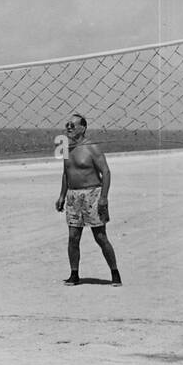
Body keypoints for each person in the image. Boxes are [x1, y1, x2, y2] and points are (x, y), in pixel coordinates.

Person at [56, 113, 120, 286]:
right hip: (73, 195)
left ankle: (115, 273)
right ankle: (74, 274)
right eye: (67, 124)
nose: (68, 127)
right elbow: (65, 172)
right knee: (73, 237)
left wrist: (104, 198)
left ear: (83, 128)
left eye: (72, 125)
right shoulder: (64, 146)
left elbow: (106, 172)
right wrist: (62, 195)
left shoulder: (93, 147)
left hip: (93, 194)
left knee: (100, 236)